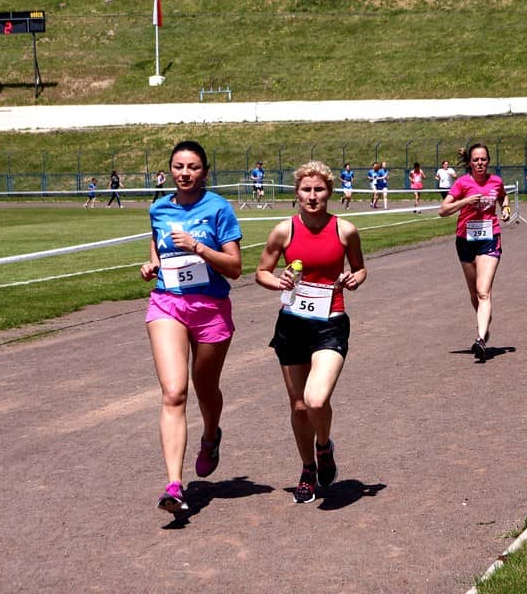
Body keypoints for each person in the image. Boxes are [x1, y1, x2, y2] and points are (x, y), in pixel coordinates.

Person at [140, 140, 243, 514]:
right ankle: (174, 485)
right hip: (168, 303)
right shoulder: (158, 208)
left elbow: (235, 267)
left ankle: (211, 435)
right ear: (171, 169)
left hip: (210, 307)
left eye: (193, 167)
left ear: (205, 172)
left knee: (205, 386)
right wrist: (152, 265)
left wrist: (199, 248)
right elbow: (157, 246)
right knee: (174, 392)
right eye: (179, 166)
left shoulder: (218, 208)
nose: (185, 173)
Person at [255, 160, 367, 504]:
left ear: (329, 192)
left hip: (331, 321)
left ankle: (324, 446)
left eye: (319, 189)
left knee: (317, 398)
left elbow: (360, 269)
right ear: (297, 193)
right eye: (306, 190)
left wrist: (353, 279)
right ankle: (307, 469)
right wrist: (279, 281)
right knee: (300, 406)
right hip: (292, 323)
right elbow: (261, 271)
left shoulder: (345, 230)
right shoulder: (283, 230)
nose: (313, 196)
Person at [439, 143, 511, 362]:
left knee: (483, 291)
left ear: (488, 161)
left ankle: (480, 339)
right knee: (474, 294)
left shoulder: (496, 181)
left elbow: (503, 197)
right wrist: (465, 201)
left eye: (483, 159)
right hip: (465, 240)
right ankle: (484, 321)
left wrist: (505, 209)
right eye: (476, 160)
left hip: (490, 239)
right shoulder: (462, 183)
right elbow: (443, 210)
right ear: (470, 163)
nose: (480, 163)